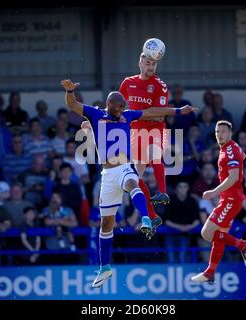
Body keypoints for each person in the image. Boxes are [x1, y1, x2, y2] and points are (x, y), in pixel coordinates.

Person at [61, 78, 196, 288]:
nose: (123, 109)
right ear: (110, 104)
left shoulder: (127, 116)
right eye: (120, 106)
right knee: (106, 225)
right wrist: (70, 92)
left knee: (133, 182)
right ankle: (104, 268)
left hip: (124, 167)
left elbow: (151, 111)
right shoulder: (96, 114)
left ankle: (146, 219)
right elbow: (73, 105)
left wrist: (179, 110)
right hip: (107, 175)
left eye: (125, 106)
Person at [190, 120, 246, 283]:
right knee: (219, 236)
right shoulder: (231, 148)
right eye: (217, 132)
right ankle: (210, 272)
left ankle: (242, 246)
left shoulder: (230, 150)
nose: (219, 134)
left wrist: (214, 192)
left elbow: (233, 177)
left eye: (223, 131)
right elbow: (242, 157)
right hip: (230, 198)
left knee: (207, 233)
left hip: (230, 200)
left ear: (230, 133)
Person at [119, 51, 171, 231]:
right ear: (140, 62)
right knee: (133, 178)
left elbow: (160, 115)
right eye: (148, 63)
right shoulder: (128, 83)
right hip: (136, 134)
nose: (151, 67)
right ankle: (152, 215)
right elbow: (116, 108)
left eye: (154, 64)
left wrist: (135, 116)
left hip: (155, 131)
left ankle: (162, 192)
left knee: (154, 154)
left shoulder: (160, 86)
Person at [164, 181, 200, 263]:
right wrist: (180, 227)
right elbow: (166, 221)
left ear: (188, 188)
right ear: (176, 189)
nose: (183, 189)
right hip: (170, 233)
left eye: (185, 186)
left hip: (185, 234)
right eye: (180, 187)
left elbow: (197, 221)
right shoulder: (170, 200)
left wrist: (188, 227)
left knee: (182, 257)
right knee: (171, 258)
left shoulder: (192, 201)